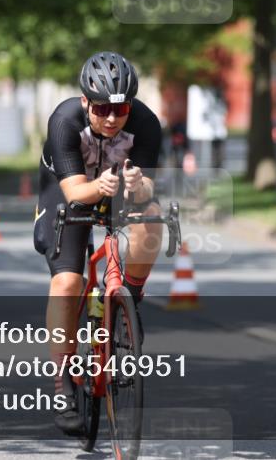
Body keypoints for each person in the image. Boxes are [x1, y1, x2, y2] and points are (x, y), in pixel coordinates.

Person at [33, 51, 163, 435]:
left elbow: (151, 184)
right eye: (102, 108)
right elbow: (74, 191)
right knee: (68, 282)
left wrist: (139, 186)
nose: (111, 118)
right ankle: (63, 383)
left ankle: (130, 300)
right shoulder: (64, 121)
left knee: (152, 214)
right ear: (86, 102)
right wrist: (98, 187)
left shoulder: (146, 123)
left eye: (120, 110)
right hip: (67, 193)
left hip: (118, 191)